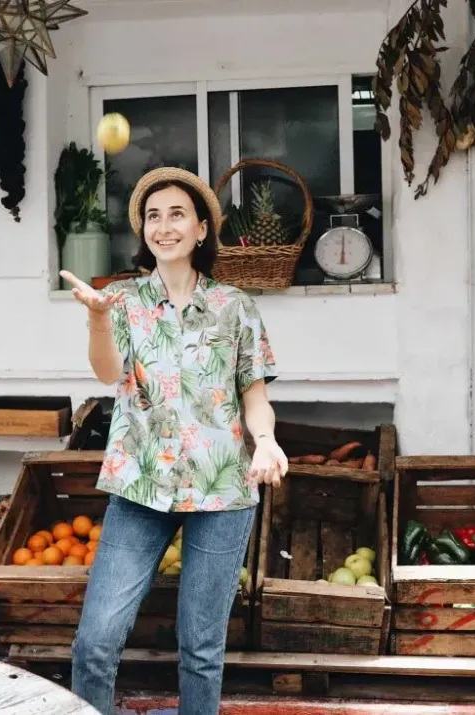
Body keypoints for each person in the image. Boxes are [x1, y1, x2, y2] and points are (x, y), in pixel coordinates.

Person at [60, 166, 288, 715]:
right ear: (143, 231)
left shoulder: (235, 306)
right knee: (95, 642)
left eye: (177, 214)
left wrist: (265, 440)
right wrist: (97, 319)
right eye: (153, 217)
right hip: (140, 486)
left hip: (221, 492)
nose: (164, 226)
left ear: (202, 229)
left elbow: (254, 395)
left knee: (202, 650)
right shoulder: (122, 301)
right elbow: (107, 372)